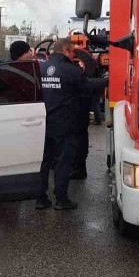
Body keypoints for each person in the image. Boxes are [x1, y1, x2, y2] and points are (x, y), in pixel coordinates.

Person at [36, 39, 105, 210]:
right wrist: (109, 80)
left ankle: (40, 198)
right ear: (66, 51)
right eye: (73, 51)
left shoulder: (40, 69)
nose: (74, 54)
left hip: (42, 123)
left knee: (44, 161)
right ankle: (61, 199)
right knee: (62, 162)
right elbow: (87, 87)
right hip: (64, 124)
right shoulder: (72, 71)